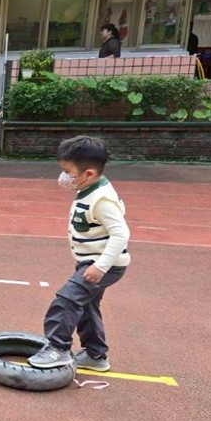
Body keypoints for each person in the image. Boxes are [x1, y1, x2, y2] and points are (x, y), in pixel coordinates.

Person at [28, 136, 130, 371]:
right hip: (91, 261)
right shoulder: (89, 189)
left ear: (89, 174)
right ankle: (95, 355)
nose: (64, 177)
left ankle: (58, 348)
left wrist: (100, 266)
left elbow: (121, 234)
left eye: (68, 172)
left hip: (103, 264)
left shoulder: (102, 200)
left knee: (67, 300)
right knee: (87, 306)